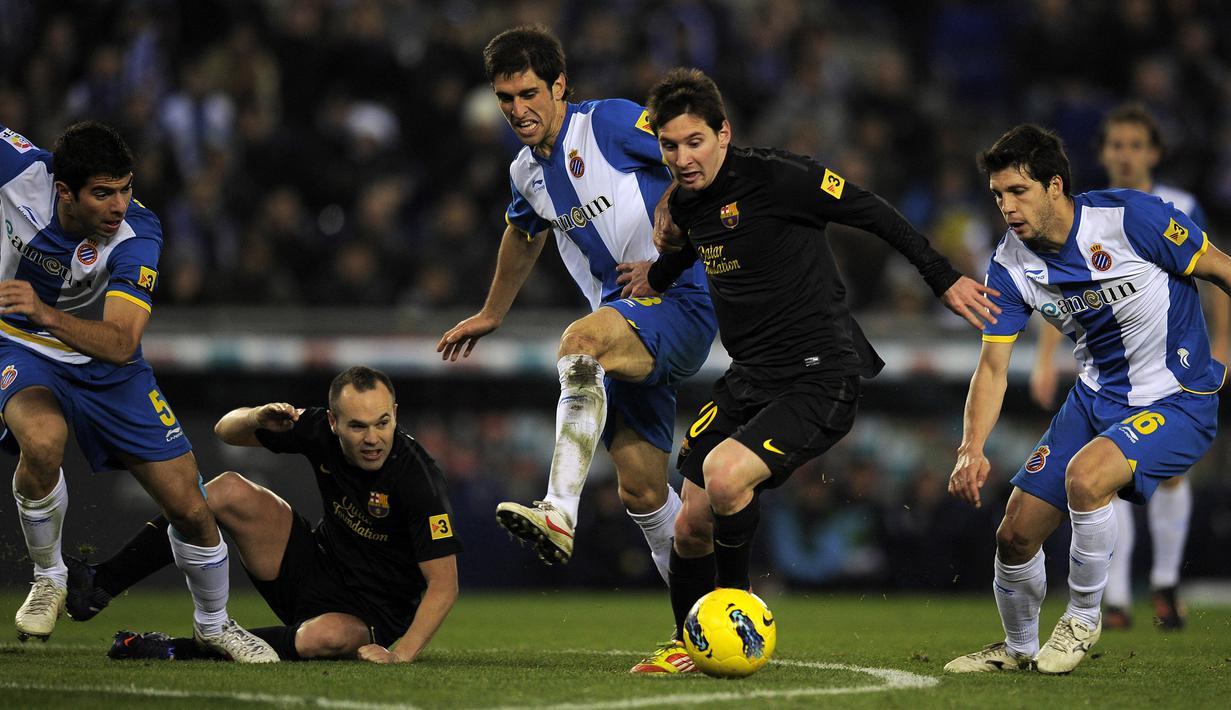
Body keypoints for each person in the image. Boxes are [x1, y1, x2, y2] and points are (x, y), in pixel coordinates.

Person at [623, 67, 998, 668]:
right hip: (750, 378)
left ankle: (733, 622)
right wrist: (657, 275)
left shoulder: (779, 177)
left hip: (819, 374)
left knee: (723, 477)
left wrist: (941, 275)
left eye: (695, 141)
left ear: (724, 133)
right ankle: (686, 641)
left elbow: (871, 209)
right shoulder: (689, 203)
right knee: (688, 523)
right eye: (670, 146)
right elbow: (693, 246)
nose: (683, 157)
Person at [435, 24, 716, 659]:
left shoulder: (611, 123)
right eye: (505, 98)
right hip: (628, 330)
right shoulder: (525, 173)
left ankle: (558, 509)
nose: (517, 110)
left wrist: (674, 208)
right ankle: (710, 622)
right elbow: (522, 234)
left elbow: (701, 162)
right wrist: (491, 312)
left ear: (559, 85)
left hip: (678, 302)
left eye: (529, 92)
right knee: (644, 493)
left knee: (578, 343)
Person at [944, 124, 1230, 675]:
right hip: (1094, 401)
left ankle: (1083, 616)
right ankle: (1018, 649)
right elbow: (993, 366)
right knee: (1014, 534)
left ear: (1055, 187)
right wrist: (970, 447)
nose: (1006, 206)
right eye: (998, 195)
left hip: (1178, 398)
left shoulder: (1133, 220)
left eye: (1018, 192)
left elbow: (1220, 268)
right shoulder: (1010, 265)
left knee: (1086, 476)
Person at [0, 121, 276, 662]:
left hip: (108, 363)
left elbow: (123, 342)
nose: (119, 204)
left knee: (191, 509)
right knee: (42, 441)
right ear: (63, 191)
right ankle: (49, 576)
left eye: (125, 188)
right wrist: (33, 319)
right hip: (18, 343)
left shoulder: (138, 234)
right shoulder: (18, 169)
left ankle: (214, 625)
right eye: (103, 192)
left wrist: (45, 311)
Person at [65, 366, 462, 663]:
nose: (373, 438)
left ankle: (169, 648)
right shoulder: (316, 429)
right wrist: (256, 417)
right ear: (332, 421)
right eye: (357, 426)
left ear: (395, 412)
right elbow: (225, 430)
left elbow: (444, 585)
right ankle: (100, 583)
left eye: (382, 423)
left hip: (370, 613)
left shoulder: (418, 478)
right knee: (227, 489)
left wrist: (401, 653)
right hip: (313, 565)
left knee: (324, 638)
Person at [1028, 104, 1224, 631]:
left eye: (1136, 144)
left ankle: (1163, 584)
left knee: (1170, 478)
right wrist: (1045, 359)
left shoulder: (1176, 204)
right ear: (1103, 152)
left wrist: (1223, 343)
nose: (1126, 154)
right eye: (1116, 144)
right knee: (1100, 480)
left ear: (1153, 152)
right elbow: (1060, 292)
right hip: (1109, 373)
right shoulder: (1081, 212)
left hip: (1172, 368)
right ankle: (1115, 599)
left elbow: (1209, 269)